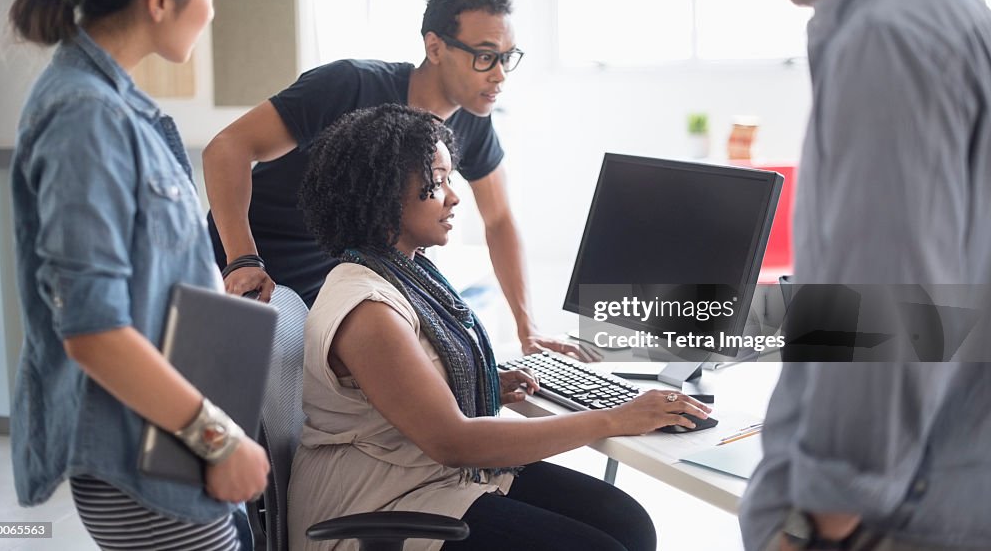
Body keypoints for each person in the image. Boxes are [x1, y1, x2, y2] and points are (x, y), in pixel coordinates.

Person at [287, 104, 711, 551]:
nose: (453, 196)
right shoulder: (369, 309)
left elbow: (411, 388)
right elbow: (454, 442)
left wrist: (479, 383)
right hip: (376, 504)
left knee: (628, 524)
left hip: (425, 475)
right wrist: (616, 417)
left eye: (451, 178)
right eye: (436, 181)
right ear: (380, 193)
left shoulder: (404, 270)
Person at [8, 0, 269, 550]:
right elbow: (93, 331)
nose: (213, 8)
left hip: (168, 448)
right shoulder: (84, 117)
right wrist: (218, 439)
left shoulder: (116, 106)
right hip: (141, 464)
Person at [740, 0, 991, 549]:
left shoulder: (886, 37)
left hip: (890, 520)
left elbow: (891, 306)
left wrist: (819, 525)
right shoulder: (960, 13)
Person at [202, 0, 595, 361]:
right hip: (252, 263)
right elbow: (226, 148)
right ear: (435, 47)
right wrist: (242, 258)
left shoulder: (473, 120)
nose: (500, 74)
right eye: (485, 56)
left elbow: (499, 219)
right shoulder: (351, 84)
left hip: (338, 280)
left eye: (507, 58)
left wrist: (527, 328)